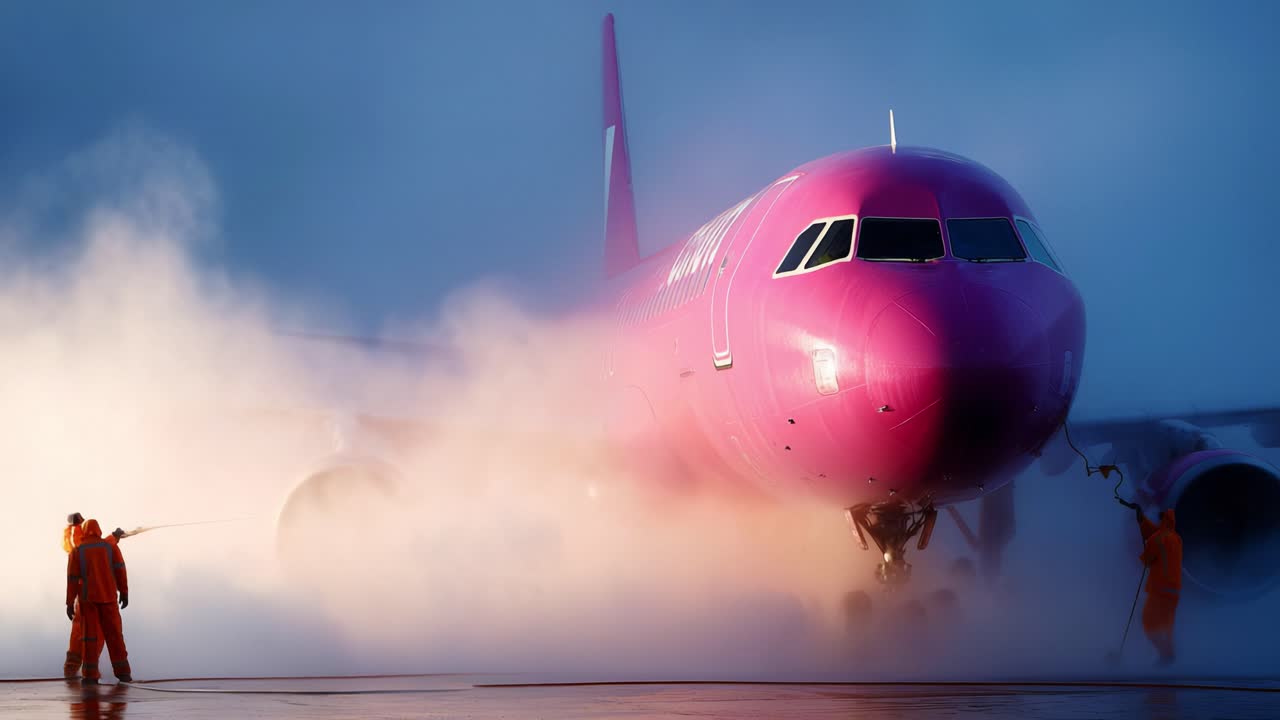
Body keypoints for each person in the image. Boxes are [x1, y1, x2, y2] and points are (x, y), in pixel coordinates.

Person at [65, 519, 132, 684]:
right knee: (115, 636)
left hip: (88, 600)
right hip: (108, 598)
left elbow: (72, 579)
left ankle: (89, 675)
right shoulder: (109, 547)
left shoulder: (77, 551)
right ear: (99, 530)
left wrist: (69, 602)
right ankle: (123, 673)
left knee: (89, 639)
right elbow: (120, 569)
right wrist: (124, 592)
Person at [1118, 498, 1182, 665]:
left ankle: (1165, 655)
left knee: (1149, 622)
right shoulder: (1175, 538)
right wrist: (1141, 517)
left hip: (1160, 588)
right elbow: (1151, 532)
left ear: (1162, 520)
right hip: (1174, 590)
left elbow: (1145, 560)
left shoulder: (1158, 539)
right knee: (1166, 625)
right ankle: (1169, 657)